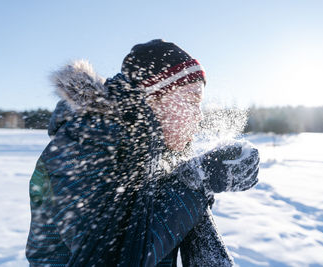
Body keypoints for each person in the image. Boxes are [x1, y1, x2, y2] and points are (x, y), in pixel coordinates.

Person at [26, 39, 259, 266]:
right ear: (150, 99)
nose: (198, 116)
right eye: (191, 100)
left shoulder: (149, 149)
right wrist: (195, 182)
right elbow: (111, 258)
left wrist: (198, 179)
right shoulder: (83, 144)